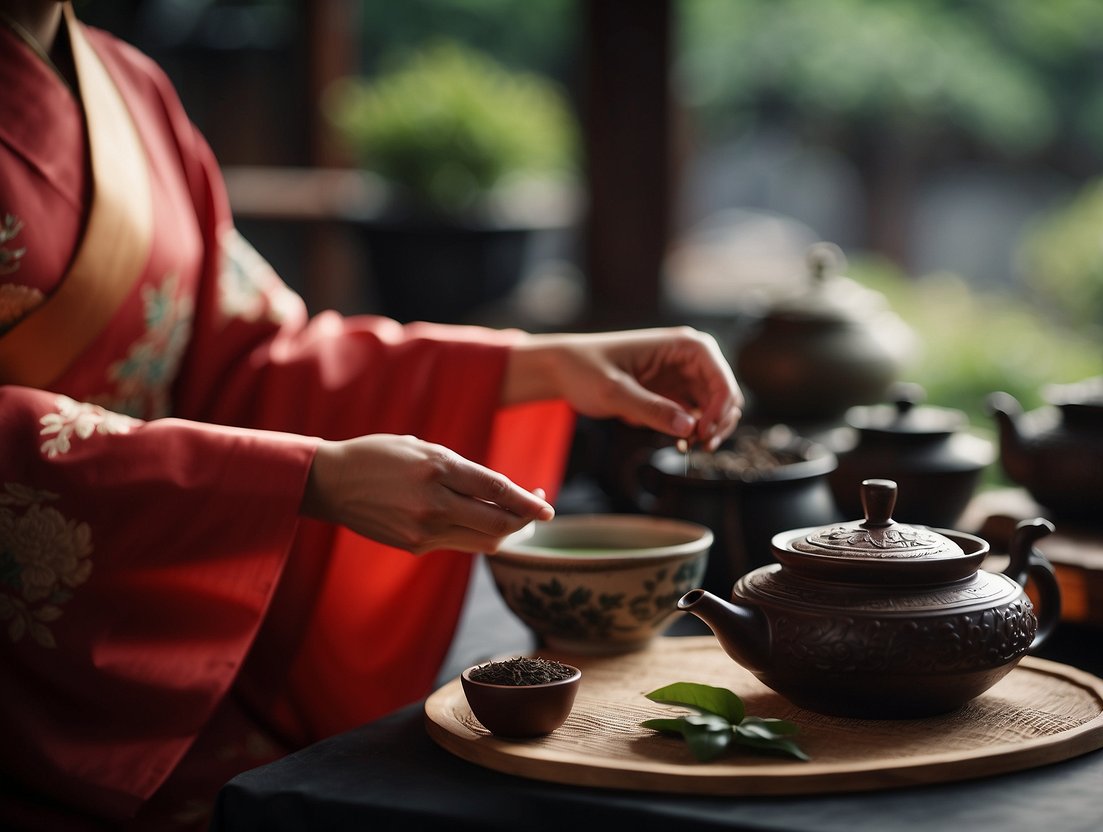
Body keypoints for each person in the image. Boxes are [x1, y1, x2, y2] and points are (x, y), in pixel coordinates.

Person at [0, 2, 744, 828]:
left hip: (174, 628)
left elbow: (245, 354)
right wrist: (304, 480)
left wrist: (540, 366)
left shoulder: (127, 85)